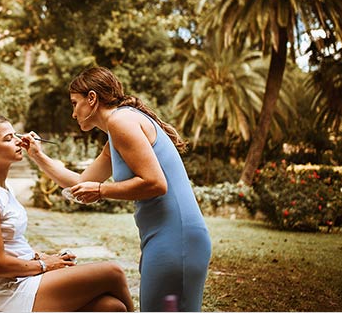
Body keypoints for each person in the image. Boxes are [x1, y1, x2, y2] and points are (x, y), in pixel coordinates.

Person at [21, 66, 211, 312]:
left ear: (92, 98)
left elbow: (156, 183)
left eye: (75, 103)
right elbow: (80, 181)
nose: (73, 113)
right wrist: (38, 156)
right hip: (164, 238)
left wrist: (101, 190)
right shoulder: (116, 131)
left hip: (177, 238)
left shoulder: (121, 122)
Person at [0, 114, 134, 312]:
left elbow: (11, 244)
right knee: (113, 272)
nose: (19, 141)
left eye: (15, 134)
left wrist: (43, 256)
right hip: (8, 288)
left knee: (112, 307)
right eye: (8, 139)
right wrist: (45, 264)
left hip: (25, 276)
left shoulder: (2, 187)